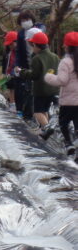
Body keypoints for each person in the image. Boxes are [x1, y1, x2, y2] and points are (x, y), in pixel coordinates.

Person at [15, 31, 59, 138]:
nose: (32, 47)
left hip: (41, 90)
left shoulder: (37, 58)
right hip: (53, 89)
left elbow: (34, 75)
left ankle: (48, 128)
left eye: (32, 45)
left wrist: (21, 72)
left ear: (36, 46)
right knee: (45, 110)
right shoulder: (55, 57)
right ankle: (44, 130)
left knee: (37, 112)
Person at [44, 31, 78, 161]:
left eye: (65, 44)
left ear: (68, 46)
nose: (63, 46)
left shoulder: (66, 62)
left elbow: (62, 81)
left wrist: (49, 76)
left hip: (68, 101)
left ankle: (69, 144)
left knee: (63, 123)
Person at [14, 11, 37, 118]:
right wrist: (17, 65)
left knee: (35, 91)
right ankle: (27, 114)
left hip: (37, 63)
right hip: (26, 64)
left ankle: (34, 114)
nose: (25, 22)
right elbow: (19, 52)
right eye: (22, 21)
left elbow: (42, 28)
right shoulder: (21, 34)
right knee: (26, 90)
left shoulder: (38, 29)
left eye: (26, 20)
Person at [1, 31, 18, 107]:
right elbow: (5, 63)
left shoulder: (20, 53)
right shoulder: (8, 53)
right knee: (11, 90)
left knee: (15, 90)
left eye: (11, 44)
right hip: (9, 76)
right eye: (8, 45)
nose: (10, 46)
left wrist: (12, 73)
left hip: (17, 75)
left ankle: (14, 105)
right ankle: (12, 105)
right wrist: (4, 73)